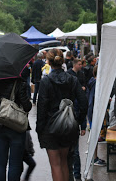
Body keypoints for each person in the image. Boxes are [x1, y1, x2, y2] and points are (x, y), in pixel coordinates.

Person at [36, 48, 87, 181]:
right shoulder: (72, 79)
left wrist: (39, 129)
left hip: (50, 126)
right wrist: (78, 120)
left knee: (55, 165)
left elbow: (41, 107)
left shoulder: (46, 81)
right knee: (64, 162)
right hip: (68, 124)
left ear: (48, 62)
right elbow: (83, 102)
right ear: (62, 61)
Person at [0, 76, 32, 181]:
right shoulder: (19, 83)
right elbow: (27, 106)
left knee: (0, 164)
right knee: (15, 163)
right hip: (16, 127)